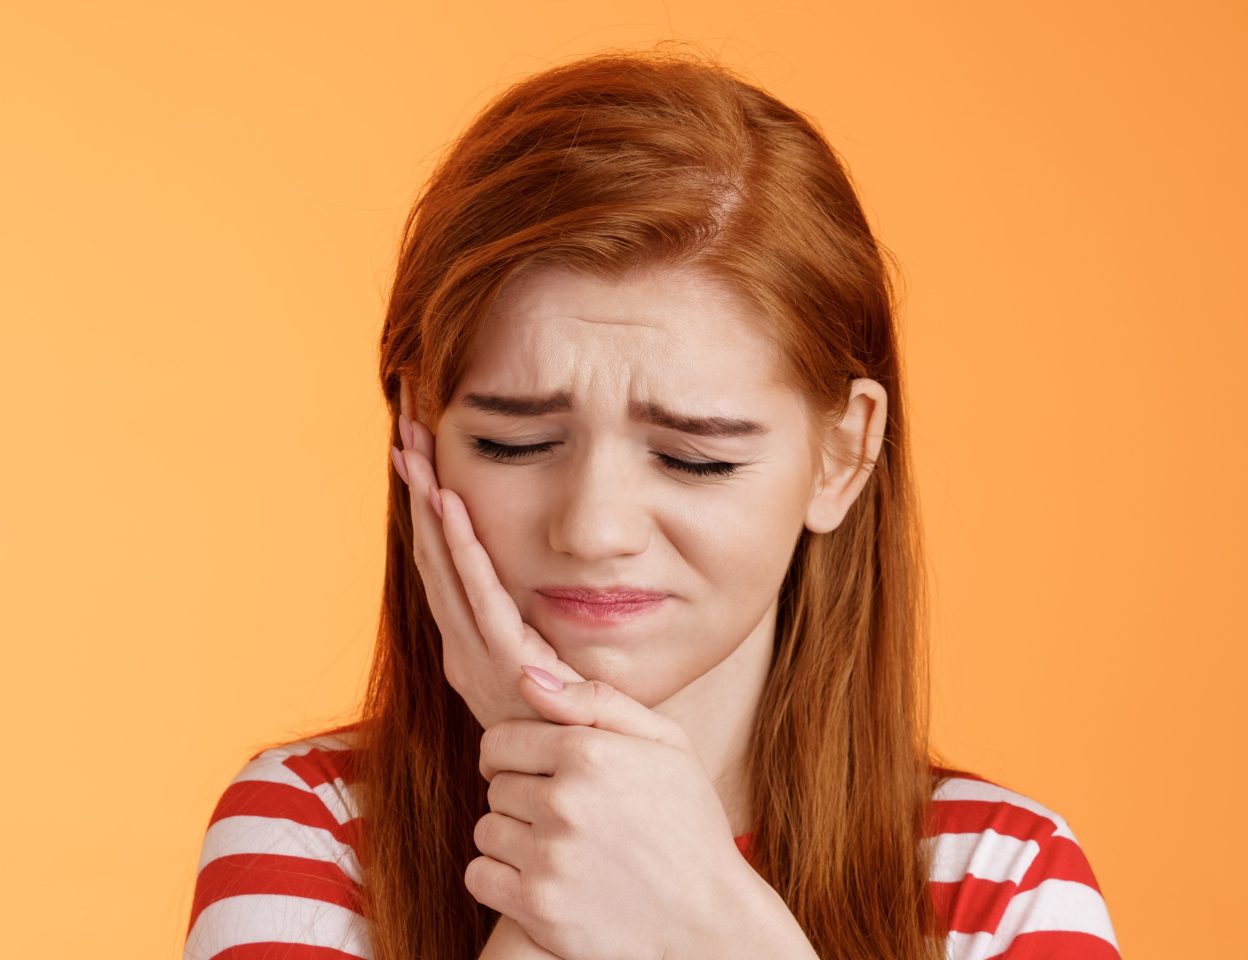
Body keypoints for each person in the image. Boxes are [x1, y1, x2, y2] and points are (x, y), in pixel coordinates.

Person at [183, 48, 1122, 960]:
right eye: (515, 443)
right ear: (418, 429)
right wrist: (570, 807)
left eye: (694, 458)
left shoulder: (1000, 886)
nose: (593, 530)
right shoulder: (313, 836)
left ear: (843, 454)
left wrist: (710, 923)